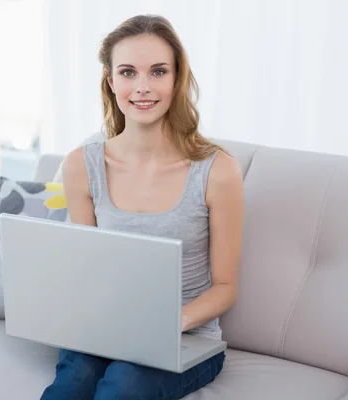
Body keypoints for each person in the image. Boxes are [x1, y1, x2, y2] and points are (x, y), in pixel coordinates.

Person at [41, 14, 244, 400]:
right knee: (72, 384)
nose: (143, 87)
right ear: (110, 79)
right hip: (105, 326)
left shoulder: (218, 171)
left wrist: (170, 322)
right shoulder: (81, 165)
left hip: (187, 337)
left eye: (158, 71)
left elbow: (226, 287)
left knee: (123, 386)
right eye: (129, 72)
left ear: (176, 78)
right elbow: (87, 269)